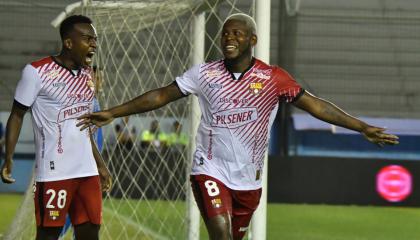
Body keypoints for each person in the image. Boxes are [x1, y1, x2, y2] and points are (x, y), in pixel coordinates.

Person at [77, 13, 399, 240]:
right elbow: (162, 94)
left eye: (237, 34)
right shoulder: (205, 73)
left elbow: (316, 105)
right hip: (210, 168)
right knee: (219, 232)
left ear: (252, 40)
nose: (229, 38)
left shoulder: (273, 78)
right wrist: (114, 113)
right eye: (226, 33)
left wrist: (361, 127)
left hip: (249, 181)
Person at [0, 15, 112, 240]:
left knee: (91, 233)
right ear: (68, 43)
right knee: (49, 235)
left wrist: (100, 164)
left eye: (95, 39)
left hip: (87, 173)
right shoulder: (36, 72)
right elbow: (17, 116)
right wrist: (9, 157)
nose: (93, 44)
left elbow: (83, 127)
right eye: (87, 38)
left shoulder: (88, 76)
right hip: (54, 173)